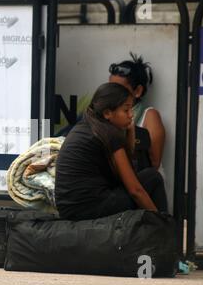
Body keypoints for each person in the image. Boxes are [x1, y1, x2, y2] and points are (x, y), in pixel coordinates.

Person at [55, 82, 168, 221]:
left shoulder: (87, 125)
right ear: (107, 113)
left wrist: (130, 131)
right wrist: (161, 220)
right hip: (89, 209)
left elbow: (127, 169)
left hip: (68, 209)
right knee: (152, 177)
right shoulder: (109, 133)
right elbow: (135, 190)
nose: (131, 115)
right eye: (126, 110)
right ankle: (163, 230)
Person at [108, 53, 165, 170]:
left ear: (137, 91)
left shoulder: (149, 116)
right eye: (109, 88)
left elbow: (154, 163)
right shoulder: (104, 114)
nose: (112, 93)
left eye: (119, 89)